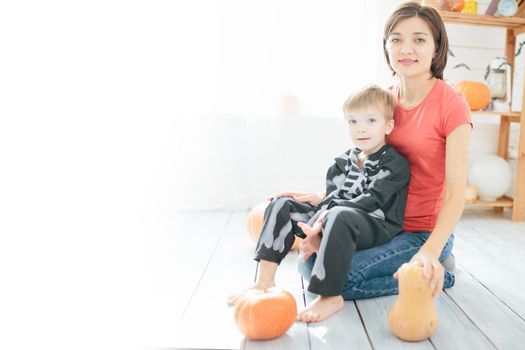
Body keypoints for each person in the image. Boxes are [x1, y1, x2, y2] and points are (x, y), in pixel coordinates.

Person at [297, 1, 472, 318]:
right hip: (377, 223)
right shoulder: (383, 99)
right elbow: (365, 163)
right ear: (386, 46)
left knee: (340, 280)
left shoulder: (452, 104)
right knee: (309, 264)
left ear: (436, 49)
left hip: (421, 232)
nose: (406, 48)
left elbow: (456, 192)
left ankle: (439, 271)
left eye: (419, 39)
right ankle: (411, 268)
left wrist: (430, 250)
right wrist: (326, 198)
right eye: (396, 38)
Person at [228, 84, 410, 323]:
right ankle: (264, 281)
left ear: (388, 125)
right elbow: (332, 196)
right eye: (352, 121)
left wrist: (321, 222)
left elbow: (371, 199)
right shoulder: (343, 161)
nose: (360, 128)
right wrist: (316, 220)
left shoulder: (395, 163)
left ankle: (330, 295)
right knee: (282, 204)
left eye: (371, 120)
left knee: (339, 214)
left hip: (376, 224)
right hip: (334, 216)